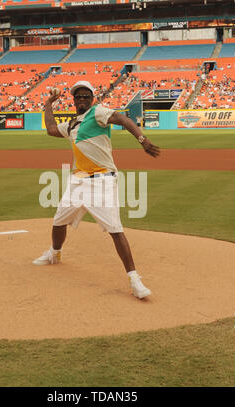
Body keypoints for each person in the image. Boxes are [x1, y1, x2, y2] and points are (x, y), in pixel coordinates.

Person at [33, 81, 160, 299]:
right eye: (78, 96)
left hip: (102, 181)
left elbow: (122, 118)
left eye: (85, 96)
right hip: (77, 181)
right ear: (73, 100)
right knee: (58, 221)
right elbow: (52, 130)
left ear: (92, 98)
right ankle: (54, 254)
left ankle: (134, 279)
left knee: (115, 229)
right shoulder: (73, 124)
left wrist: (142, 140)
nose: (81, 99)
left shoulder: (99, 112)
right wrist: (48, 104)